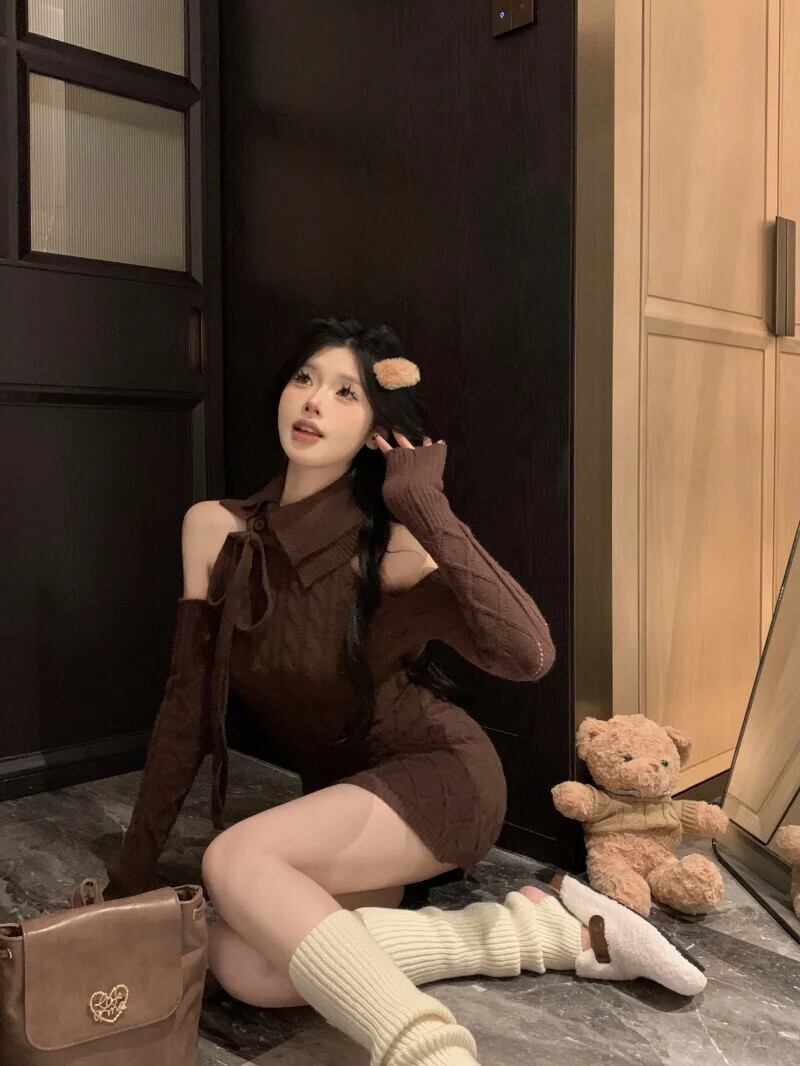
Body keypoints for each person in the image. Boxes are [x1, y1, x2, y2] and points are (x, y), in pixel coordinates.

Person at [103, 317, 706, 1065]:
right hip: (345, 795)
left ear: (375, 429)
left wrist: (426, 504)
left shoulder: (388, 550)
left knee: (231, 863)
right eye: (304, 379)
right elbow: (187, 710)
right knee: (246, 968)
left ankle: (425, 1050)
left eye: (346, 392)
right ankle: (541, 931)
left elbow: (529, 653)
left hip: (439, 777)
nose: (314, 402)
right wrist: (129, 878)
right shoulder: (213, 529)